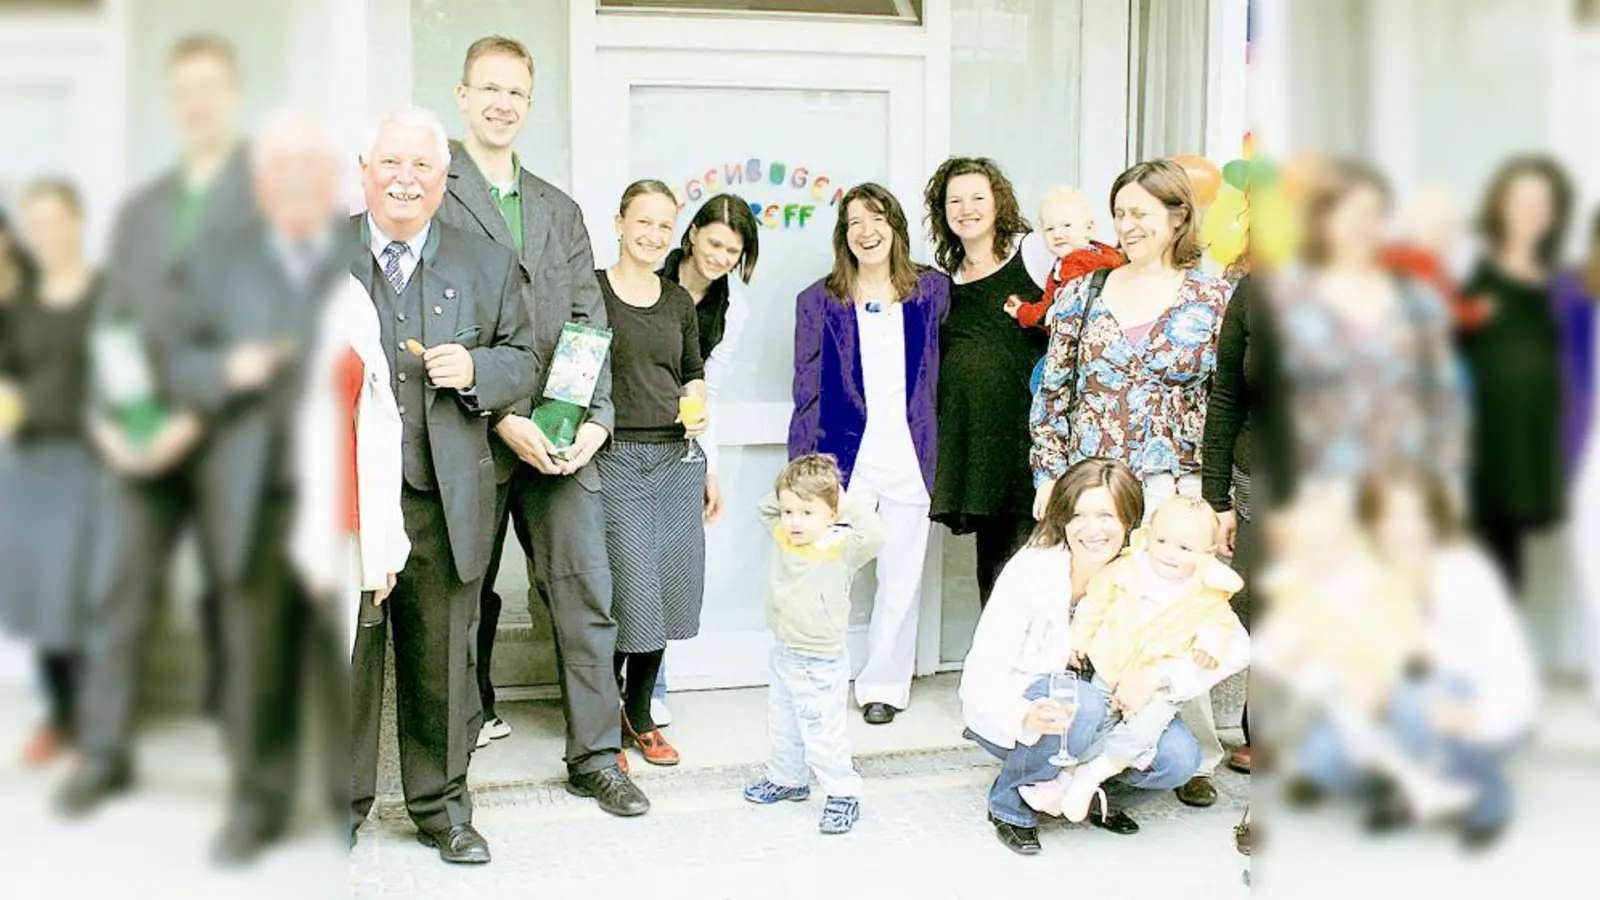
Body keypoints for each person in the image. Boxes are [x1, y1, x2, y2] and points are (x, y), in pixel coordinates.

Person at [434, 35, 649, 818]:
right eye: (487, 88)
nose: (501, 104)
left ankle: (595, 755)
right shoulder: (437, 193)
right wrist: (502, 418)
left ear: (529, 104)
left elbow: (590, 323)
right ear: (462, 97)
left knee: (585, 596)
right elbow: (432, 328)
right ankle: (445, 772)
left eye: (516, 93)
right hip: (471, 437)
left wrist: (594, 420)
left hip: (562, 445)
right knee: (459, 604)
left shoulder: (559, 208)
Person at [58, 34, 254, 817]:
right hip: (142, 439)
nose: (197, 104)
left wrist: (190, 415)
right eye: (185, 92)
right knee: (119, 590)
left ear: (232, 97)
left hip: (234, 435)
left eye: (210, 89)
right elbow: (115, 324)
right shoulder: (142, 210)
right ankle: (103, 752)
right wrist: (118, 420)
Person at [346, 105, 537, 866]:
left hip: (442, 497)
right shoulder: (314, 255)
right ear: (363, 172)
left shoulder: (485, 261)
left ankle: (441, 808)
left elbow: (525, 359)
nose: (405, 179)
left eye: (422, 166)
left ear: (443, 179)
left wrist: (479, 372)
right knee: (346, 663)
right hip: (346, 502)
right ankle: (338, 807)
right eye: (391, 162)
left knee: (440, 665)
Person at [163, 111, 355, 865]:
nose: (296, 182)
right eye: (282, 168)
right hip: (250, 489)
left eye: (310, 167)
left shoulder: (358, 254)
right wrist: (224, 373)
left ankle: (338, 798)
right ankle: (259, 800)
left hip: (338, 493)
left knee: (332, 656)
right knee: (255, 653)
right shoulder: (218, 261)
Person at [1029, 159, 1233, 808]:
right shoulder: (1083, 295)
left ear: (1179, 217)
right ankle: (1082, 742)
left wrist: (1215, 497)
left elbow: (1226, 400)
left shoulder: (1212, 298)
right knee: (1094, 612)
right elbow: (1053, 391)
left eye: (1142, 213)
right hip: (1097, 491)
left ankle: (1186, 755)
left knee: (1178, 612)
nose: (1127, 225)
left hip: (1177, 487)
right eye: (1120, 212)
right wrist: (1047, 473)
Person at [959, 458, 1203, 855]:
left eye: (1106, 515)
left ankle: (1090, 797)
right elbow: (981, 675)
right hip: (1030, 711)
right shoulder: (1031, 573)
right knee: (1083, 703)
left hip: (1109, 714)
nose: (1092, 530)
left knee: (1180, 757)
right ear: (1062, 519)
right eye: (1079, 515)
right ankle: (1010, 802)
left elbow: (1214, 648)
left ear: (1128, 520)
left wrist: (1156, 678)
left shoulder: (1149, 573)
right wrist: (1022, 715)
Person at [788, 183, 949, 725]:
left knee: (902, 578)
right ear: (844, 234)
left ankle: (882, 686)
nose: (866, 230)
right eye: (854, 221)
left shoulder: (932, 292)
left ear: (896, 227)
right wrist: (801, 471)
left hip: (912, 458)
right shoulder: (818, 301)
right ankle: (817, 679)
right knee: (825, 576)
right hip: (843, 462)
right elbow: (806, 388)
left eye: (876, 218)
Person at [594, 179, 709, 767]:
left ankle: (638, 714)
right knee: (629, 590)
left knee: (668, 588)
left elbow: (691, 371)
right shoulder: (590, 293)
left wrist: (699, 404)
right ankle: (602, 724)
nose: (653, 235)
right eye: (643, 222)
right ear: (619, 222)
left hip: (676, 459)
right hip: (614, 458)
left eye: (665, 226)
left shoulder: (677, 301)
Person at [1049, 496, 1248, 823]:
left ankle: (1093, 776)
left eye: (1185, 549)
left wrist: (1209, 644)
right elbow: (1095, 604)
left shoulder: (1207, 592)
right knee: (1091, 722)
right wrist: (1078, 639)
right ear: (1148, 535)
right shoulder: (1127, 570)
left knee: (1144, 734)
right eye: (1162, 541)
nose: (1170, 553)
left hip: (1155, 688)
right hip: (1107, 667)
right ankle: (1063, 776)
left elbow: (1223, 626)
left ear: (1207, 553)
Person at [923, 157, 1054, 607]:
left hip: (1031, 440)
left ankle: (1035, 672)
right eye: (954, 200)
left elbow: (1086, 266)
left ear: (999, 203)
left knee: (1033, 563)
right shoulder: (945, 281)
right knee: (994, 566)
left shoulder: (1035, 253)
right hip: (981, 443)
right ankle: (998, 672)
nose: (967, 209)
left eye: (978, 197)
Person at [0, 181, 100, 769]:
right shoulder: (20, 305)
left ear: (78, 221)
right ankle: (61, 715)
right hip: (31, 463)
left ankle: (91, 717)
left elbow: (131, 379)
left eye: (54, 220)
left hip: (92, 464)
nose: (46, 233)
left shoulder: (106, 293)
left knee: (77, 594)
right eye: (34, 223)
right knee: (40, 597)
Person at [652, 192, 761, 725]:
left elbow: (707, 391)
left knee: (667, 565)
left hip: (681, 446)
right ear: (691, 233)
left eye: (733, 251)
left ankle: (652, 688)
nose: (720, 257)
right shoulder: (650, 277)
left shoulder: (732, 308)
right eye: (714, 243)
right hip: (626, 436)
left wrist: (709, 466)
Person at [742, 454, 884, 834]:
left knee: (823, 732)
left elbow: (874, 534)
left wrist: (841, 498)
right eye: (789, 511)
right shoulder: (785, 536)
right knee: (784, 722)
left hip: (821, 660)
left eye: (806, 512)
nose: (794, 521)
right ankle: (788, 778)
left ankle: (842, 793)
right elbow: (763, 508)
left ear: (832, 512)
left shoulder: (841, 545)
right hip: (785, 650)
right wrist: (796, 479)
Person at [1458, 156, 1574, 592]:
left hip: (1533, 455)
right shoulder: (1469, 273)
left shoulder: (1562, 285)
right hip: (1478, 456)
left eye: (1543, 203)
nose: (1533, 211)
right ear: (1500, 205)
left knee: (1509, 580)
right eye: (1523, 200)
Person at [1002, 186, 1125, 332]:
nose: (1057, 234)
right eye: (1049, 229)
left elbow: (1053, 311)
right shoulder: (1106, 254)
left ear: (1089, 228)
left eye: (1066, 225)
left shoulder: (1074, 265)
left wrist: (1021, 311)